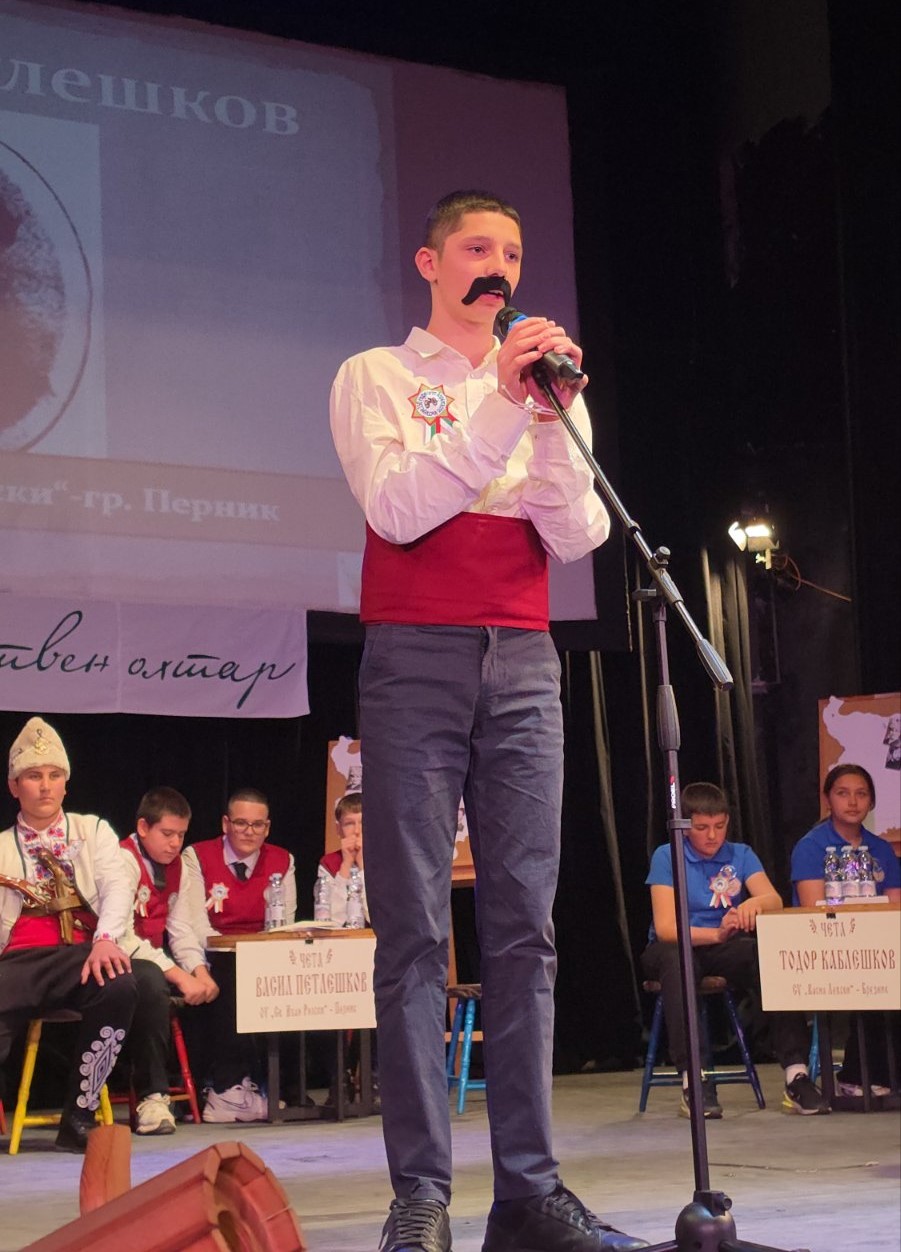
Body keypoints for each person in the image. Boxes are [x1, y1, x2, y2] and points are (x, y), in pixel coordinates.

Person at [330, 190, 646, 1252]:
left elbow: (578, 533)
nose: (498, 264)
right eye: (476, 247)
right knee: (415, 931)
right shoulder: (375, 375)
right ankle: (420, 1193)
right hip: (413, 656)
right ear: (430, 262)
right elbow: (398, 509)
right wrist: (504, 406)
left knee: (524, 930)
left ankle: (528, 1193)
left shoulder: (541, 385)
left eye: (510, 249)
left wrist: (545, 417)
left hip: (522, 659)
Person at [642, 782, 827, 1118]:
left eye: (719, 825)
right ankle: (694, 1079)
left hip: (722, 945)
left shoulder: (740, 854)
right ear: (686, 826)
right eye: (702, 828)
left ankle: (796, 1073)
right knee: (677, 961)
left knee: (769, 955)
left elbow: (773, 900)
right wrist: (716, 933)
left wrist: (754, 904)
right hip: (675, 946)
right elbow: (668, 929)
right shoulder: (667, 855)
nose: (712, 835)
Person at [0, 717, 139, 1152]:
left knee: (119, 984)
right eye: (33, 776)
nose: (45, 786)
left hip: (80, 958)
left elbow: (118, 885)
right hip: (18, 964)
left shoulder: (92, 830)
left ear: (66, 783)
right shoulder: (2, 846)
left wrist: (106, 938)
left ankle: (79, 1115)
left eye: (54, 775)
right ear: (14, 786)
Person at [181, 787, 296, 1122]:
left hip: (263, 953)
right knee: (230, 969)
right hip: (212, 952)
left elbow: (283, 922)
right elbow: (195, 923)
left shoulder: (283, 861)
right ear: (225, 824)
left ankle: (286, 1086)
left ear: (267, 827)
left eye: (257, 825)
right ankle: (226, 1086)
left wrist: (256, 953)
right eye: (241, 823)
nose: (249, 832)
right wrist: (234, 950)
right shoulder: (196, 856)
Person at [791, 764, 901, 1097]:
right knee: (876, 974)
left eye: (861, 794)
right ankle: (856, 1073)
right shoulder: (811, 846)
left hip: (877, 944)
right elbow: (814, 910)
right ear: (827, 799)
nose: (853, 802)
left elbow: (894, 909)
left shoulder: (880, 849)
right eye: (843, 793)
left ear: (872, 802)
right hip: (826, 945)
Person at [117, 785, 219, 1135]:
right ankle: (153, 1097)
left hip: (153, 964)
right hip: (117, 961)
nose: (175, 843)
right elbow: (122, 937)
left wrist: (200, 972)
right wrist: (179, 975)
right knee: (151, 981)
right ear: (143, 827)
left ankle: (220, 1087)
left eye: (181, 835)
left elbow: (180, 929)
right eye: (167, 833)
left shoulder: (180, 868)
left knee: (214, 979)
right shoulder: (121, 861)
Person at [315, 791, 367, 925]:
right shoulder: (328, 864)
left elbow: (379, 917)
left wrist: (362, 865)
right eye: (349, 824)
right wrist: (346, 865)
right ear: (338, 829)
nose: (357, 831)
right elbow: (331, 920)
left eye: (363, 822)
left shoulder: (387, 861)